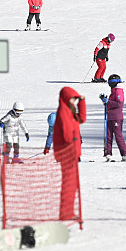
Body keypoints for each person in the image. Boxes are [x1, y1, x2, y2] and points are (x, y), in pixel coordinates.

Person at [53, 87, 86, 220]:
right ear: (66, 98)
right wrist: (72, 145)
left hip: (72, 152)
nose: (74, 100)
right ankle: (65, 213)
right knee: (68, 184)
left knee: (72, 184)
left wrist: (82, 103)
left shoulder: (70, 110)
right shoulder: (63, 111)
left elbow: (82, 119)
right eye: (73, 98)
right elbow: (67, 135)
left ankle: (68, 211)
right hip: (67, 153)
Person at [99, 74, 126, 161]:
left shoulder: (118, 91)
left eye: (110, 83)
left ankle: (125, 154)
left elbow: (119, 104)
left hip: (116, 117)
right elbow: (111, 103)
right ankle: (108, 154)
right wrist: (105, 101)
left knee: (118, 136)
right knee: (108, 136)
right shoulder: (114, 91)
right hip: (110, 116)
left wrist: (108, 101)